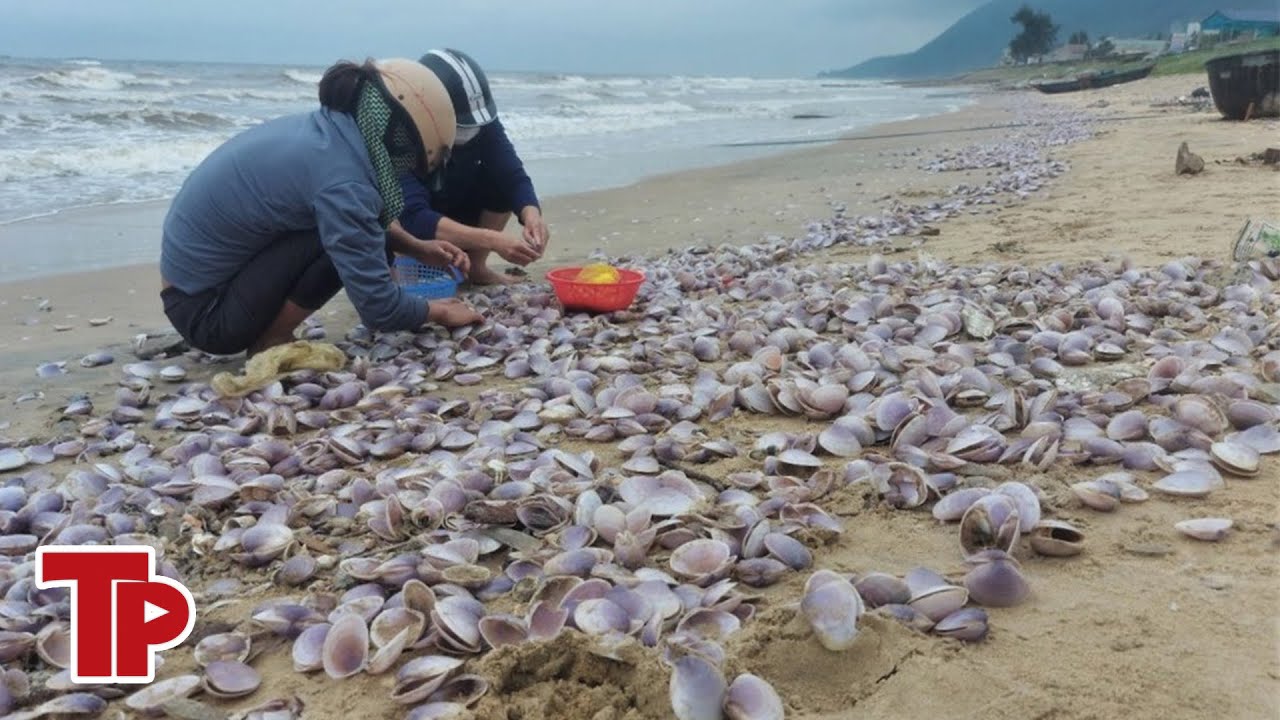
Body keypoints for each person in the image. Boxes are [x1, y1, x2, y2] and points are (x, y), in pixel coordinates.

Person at [159, 57, 483, 357]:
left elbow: (365, 227)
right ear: (401, 137)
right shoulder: (344, 184)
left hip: (198, 291)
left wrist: (415, 248)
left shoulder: (329, 132)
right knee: (344, 238)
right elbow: (378, 308)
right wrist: (439, 311)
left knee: (358, 232)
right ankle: (270, 340)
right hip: (208, 316)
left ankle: (269, 329)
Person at [397, 48, 550, 286]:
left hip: (456, 205)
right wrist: (493, 240)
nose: (468, 132)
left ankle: (476, 268)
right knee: (408, 281)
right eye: (460, 125)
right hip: (412, 226)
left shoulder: (483, 122)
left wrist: (532, 216)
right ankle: (408, 272)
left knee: (499, 184)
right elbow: (413, 216)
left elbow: (512, 176)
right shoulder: (398, 136)